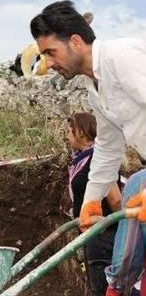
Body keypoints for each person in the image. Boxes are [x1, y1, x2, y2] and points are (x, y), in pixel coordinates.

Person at [30, 0, 146, 295]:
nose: (48, 64)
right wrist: (91, 201)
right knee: (136, 185)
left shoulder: (122, 58)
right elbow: (107, 147)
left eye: (50, 52)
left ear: (76, 42)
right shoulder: (95, 87)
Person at [66, 112, 123, 296]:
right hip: (91, 233)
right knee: (96, 285)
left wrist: (121, 227)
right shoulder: (81, 159)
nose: (67, 135)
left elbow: (115, 199)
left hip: (103, 235)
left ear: (81, 132)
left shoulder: (99, 159)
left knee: (102, 288)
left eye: (70, 130)